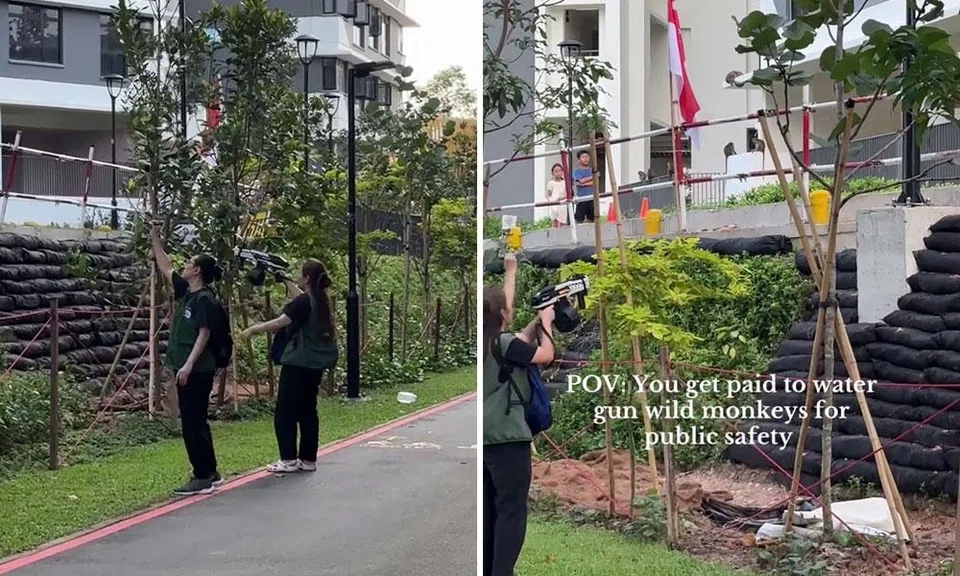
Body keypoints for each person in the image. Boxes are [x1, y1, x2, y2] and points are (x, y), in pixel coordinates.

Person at [483, 253, 556, 576]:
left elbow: (511, 327)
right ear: (502, 315)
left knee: (490, 514)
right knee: (511, 512)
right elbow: (545, 355)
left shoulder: (488, 342)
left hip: (484, 440)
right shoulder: (504, 343)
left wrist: (511, 272)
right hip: (508, 438)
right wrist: (549, 324)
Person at [240, 259, 338, 474]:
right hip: (314, 366)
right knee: (307, 411)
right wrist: (284, 280)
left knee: (285, 412)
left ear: (307, 278)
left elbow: (280, 322)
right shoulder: (320, 301)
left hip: (297, 364)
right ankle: (307, 459)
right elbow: (301, 300)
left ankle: (288, 459)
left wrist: (253, 329)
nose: (297, 276)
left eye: (299, 274)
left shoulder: (304, 302)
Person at [151, 226, 223, 496]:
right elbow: (166, 267)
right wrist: (155, 238)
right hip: (188, 367)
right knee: (196, 420)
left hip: (196, 369)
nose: (185, 266)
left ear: (197, 272)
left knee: (192, 422)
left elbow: (204, 334)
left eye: (190, 264)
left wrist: (188, 365)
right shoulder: (187, 293)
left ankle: (202, 475)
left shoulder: (204, 299)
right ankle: (210, 470)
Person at [572, 150, 599, 223]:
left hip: (592, 198)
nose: (586, 159)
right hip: (581, 198)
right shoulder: (576, 171)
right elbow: (580, 181)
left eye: (587, 157)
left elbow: (595, 182)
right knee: (579, 219)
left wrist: (584, 183)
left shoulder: (593, 170)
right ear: (578, 160)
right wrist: (593, 176)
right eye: (583, 157)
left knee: (593, 219)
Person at [545, 163, 568, 227]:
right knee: (554, 220)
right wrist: (551, 202)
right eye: (556, 171)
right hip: (554, 203)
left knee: (563, 220)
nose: (558, 173)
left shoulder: (564, 182)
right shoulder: (551, 183)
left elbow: (566, 192)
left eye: (559, 171)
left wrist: (562, 198)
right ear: (553, 173)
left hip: (563, 202)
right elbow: (549, 194)